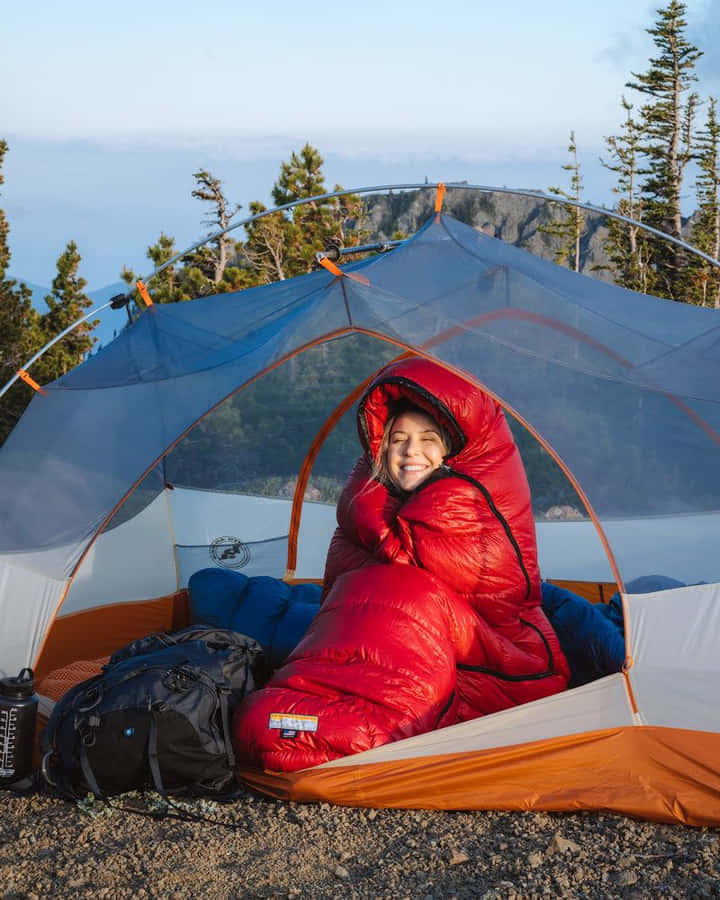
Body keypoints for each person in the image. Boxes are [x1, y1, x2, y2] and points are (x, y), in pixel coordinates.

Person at [233, 357, 570, 772]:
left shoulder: (473, 507)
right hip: (405, 661)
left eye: (428, 439)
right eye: (398, 439)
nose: (412, 451)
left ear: (451, 449)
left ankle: (362, 725)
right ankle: (314, 711)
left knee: (402, 591)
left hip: (500, 669)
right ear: (380, 448)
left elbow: (461, 595)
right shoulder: (364, 511)